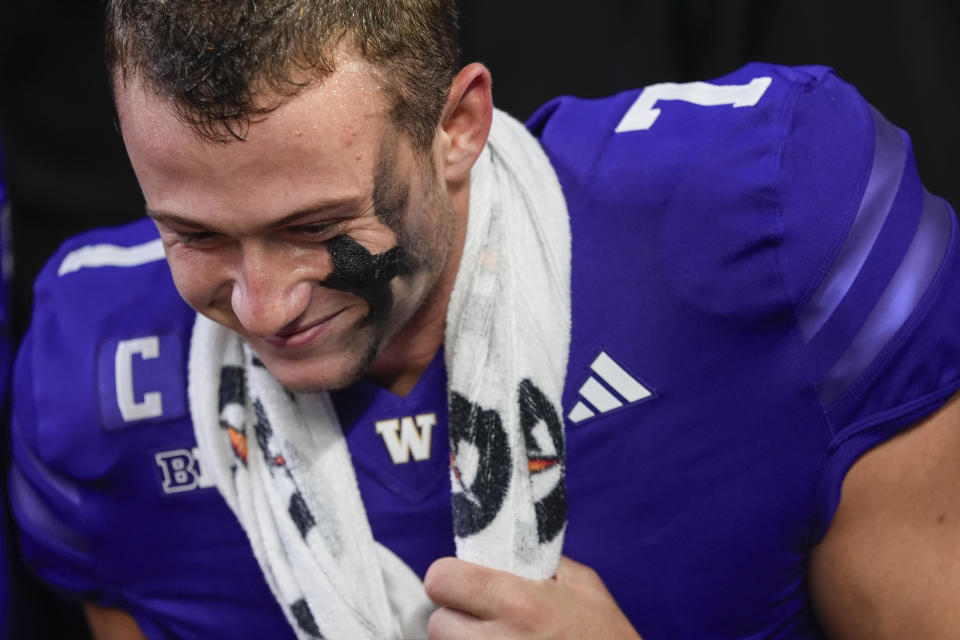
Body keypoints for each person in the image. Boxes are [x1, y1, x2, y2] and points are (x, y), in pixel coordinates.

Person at [9, 0, 960, 638]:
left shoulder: (771, 220)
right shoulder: (91, 385)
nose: (264, 303)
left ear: (457, 125)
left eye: (317, 227)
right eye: (194, 235)